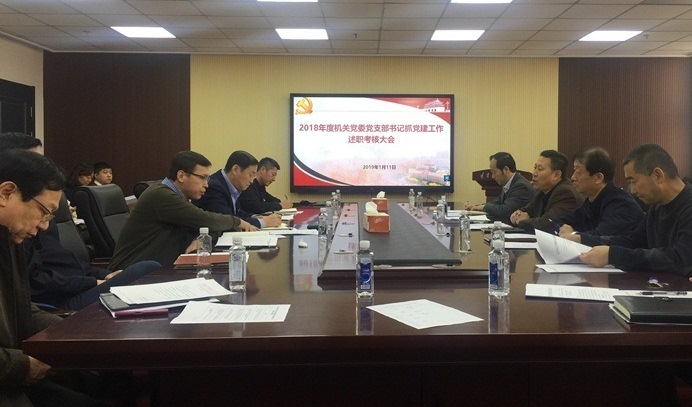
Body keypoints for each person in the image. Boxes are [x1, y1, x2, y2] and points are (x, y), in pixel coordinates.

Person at [0, 133, 160, 311]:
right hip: (63, 298)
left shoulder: (22, 229)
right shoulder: (16, 232)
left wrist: (102, 274)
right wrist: (93, 281)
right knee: (148, 269)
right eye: (35, 162)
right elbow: (36, 287)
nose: (44, 225)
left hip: (77, 285)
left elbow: (66, 263)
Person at [0, 149, 103, 406]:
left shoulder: (9, 240)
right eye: (43, 212)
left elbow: (21, 309)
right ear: (6, 193)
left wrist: (73, 332)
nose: (44, 225)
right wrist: (21, 366)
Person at [108, 151, 258, 270]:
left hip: (156, 269)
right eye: (203, 178)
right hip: (130, 274)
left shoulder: (179, 197)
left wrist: (200, 238)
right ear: (181, 176)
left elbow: (207, 225)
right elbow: (206, 219)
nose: (206, 184)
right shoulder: (161, 195)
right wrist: (237, 221)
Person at [580, 144, 692, 277]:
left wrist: (613, 255)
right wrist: (582, 240)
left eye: (633, 181)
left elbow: (680, 259)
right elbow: (632, 241)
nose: (632, 190)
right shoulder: (656, 208)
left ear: (658, 175)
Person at [557, 147, 643, 242]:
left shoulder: (621, 204)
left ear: (598, 178)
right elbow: (563, 221)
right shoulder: (591, 200)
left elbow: (602, 238)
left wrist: (573, 234)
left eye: (579, 173)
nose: (573, 177)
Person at [195, 151, 281, 228]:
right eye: (251, 175)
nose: (252, 181)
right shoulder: (215, 187)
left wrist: (258, 217)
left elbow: (238, 213)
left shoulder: (232, 185)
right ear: (235, 169)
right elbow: (229, 221)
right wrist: (263, 222)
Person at [510, 149, 583, 232]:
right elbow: (526, 210)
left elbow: (547, 224)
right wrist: (517, 214)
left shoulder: (565, 193)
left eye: (540, 169)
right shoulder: (542, 190)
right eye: (535, 168)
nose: (534, 173)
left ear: (556, 175)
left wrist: (522, 221)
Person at [464, 152, 533, 224]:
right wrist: (476, 207)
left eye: (494, 172)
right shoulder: (510, 183)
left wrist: (484, 207)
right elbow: (497, 202)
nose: (493, 176)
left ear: (505, 170)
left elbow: (505, 210)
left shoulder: (521, 186)